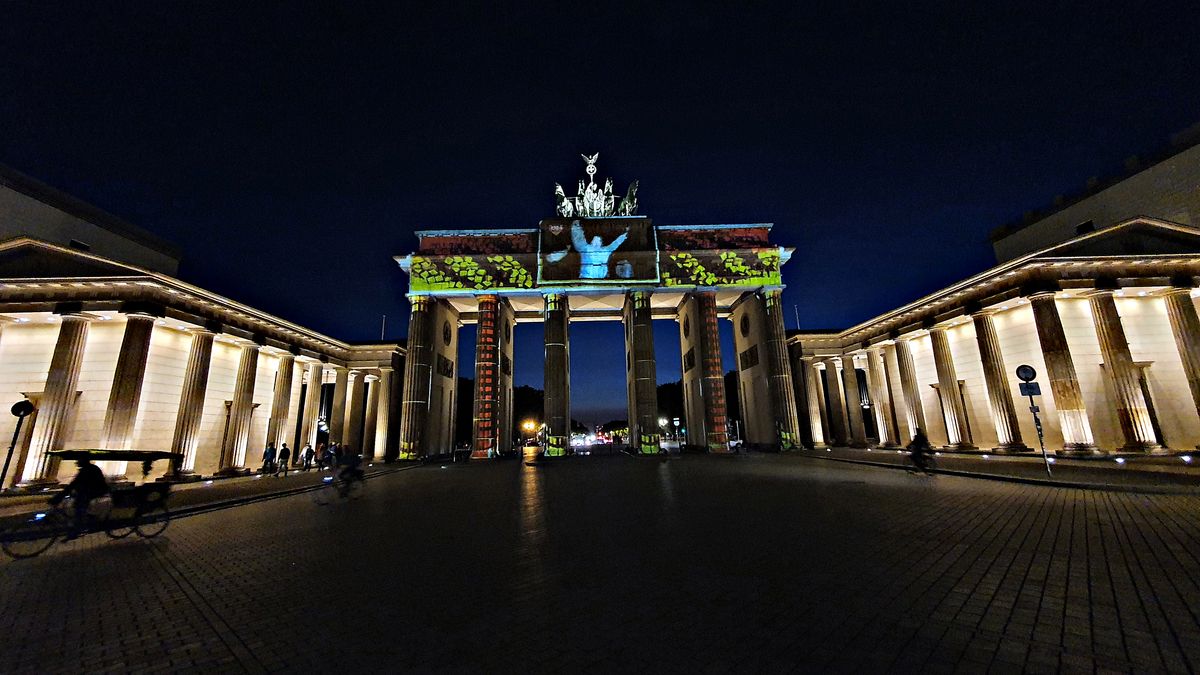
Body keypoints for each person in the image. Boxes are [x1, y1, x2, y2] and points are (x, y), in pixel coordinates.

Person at [50, 459, 109, 539]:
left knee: (80, 505)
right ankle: (78, 523)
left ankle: (77, 529)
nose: (76, 462)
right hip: (89, 490)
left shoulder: (88, 470)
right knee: (73, 503)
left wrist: (58, 497)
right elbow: (74, 484)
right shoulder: (86, 469)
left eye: (78, 460)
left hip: (95, 491)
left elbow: (74, 484)